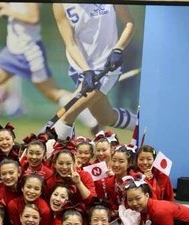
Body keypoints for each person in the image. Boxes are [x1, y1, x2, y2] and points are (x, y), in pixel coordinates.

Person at [0, 3, 99, 132]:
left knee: (54, 94)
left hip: (29, 52)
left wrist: (9, 11)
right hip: (12, 50)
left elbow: (33, 18)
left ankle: (93, 123)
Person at [50, 3, 137, 140]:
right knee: (106, 117)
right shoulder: (59, 4)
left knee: (68, 115)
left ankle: (57, 151)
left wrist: (118, 49)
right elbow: (70, 44)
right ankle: (143, 123)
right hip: (80, 67)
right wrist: (86, 70)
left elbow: (130, 23)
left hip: (107, 66)